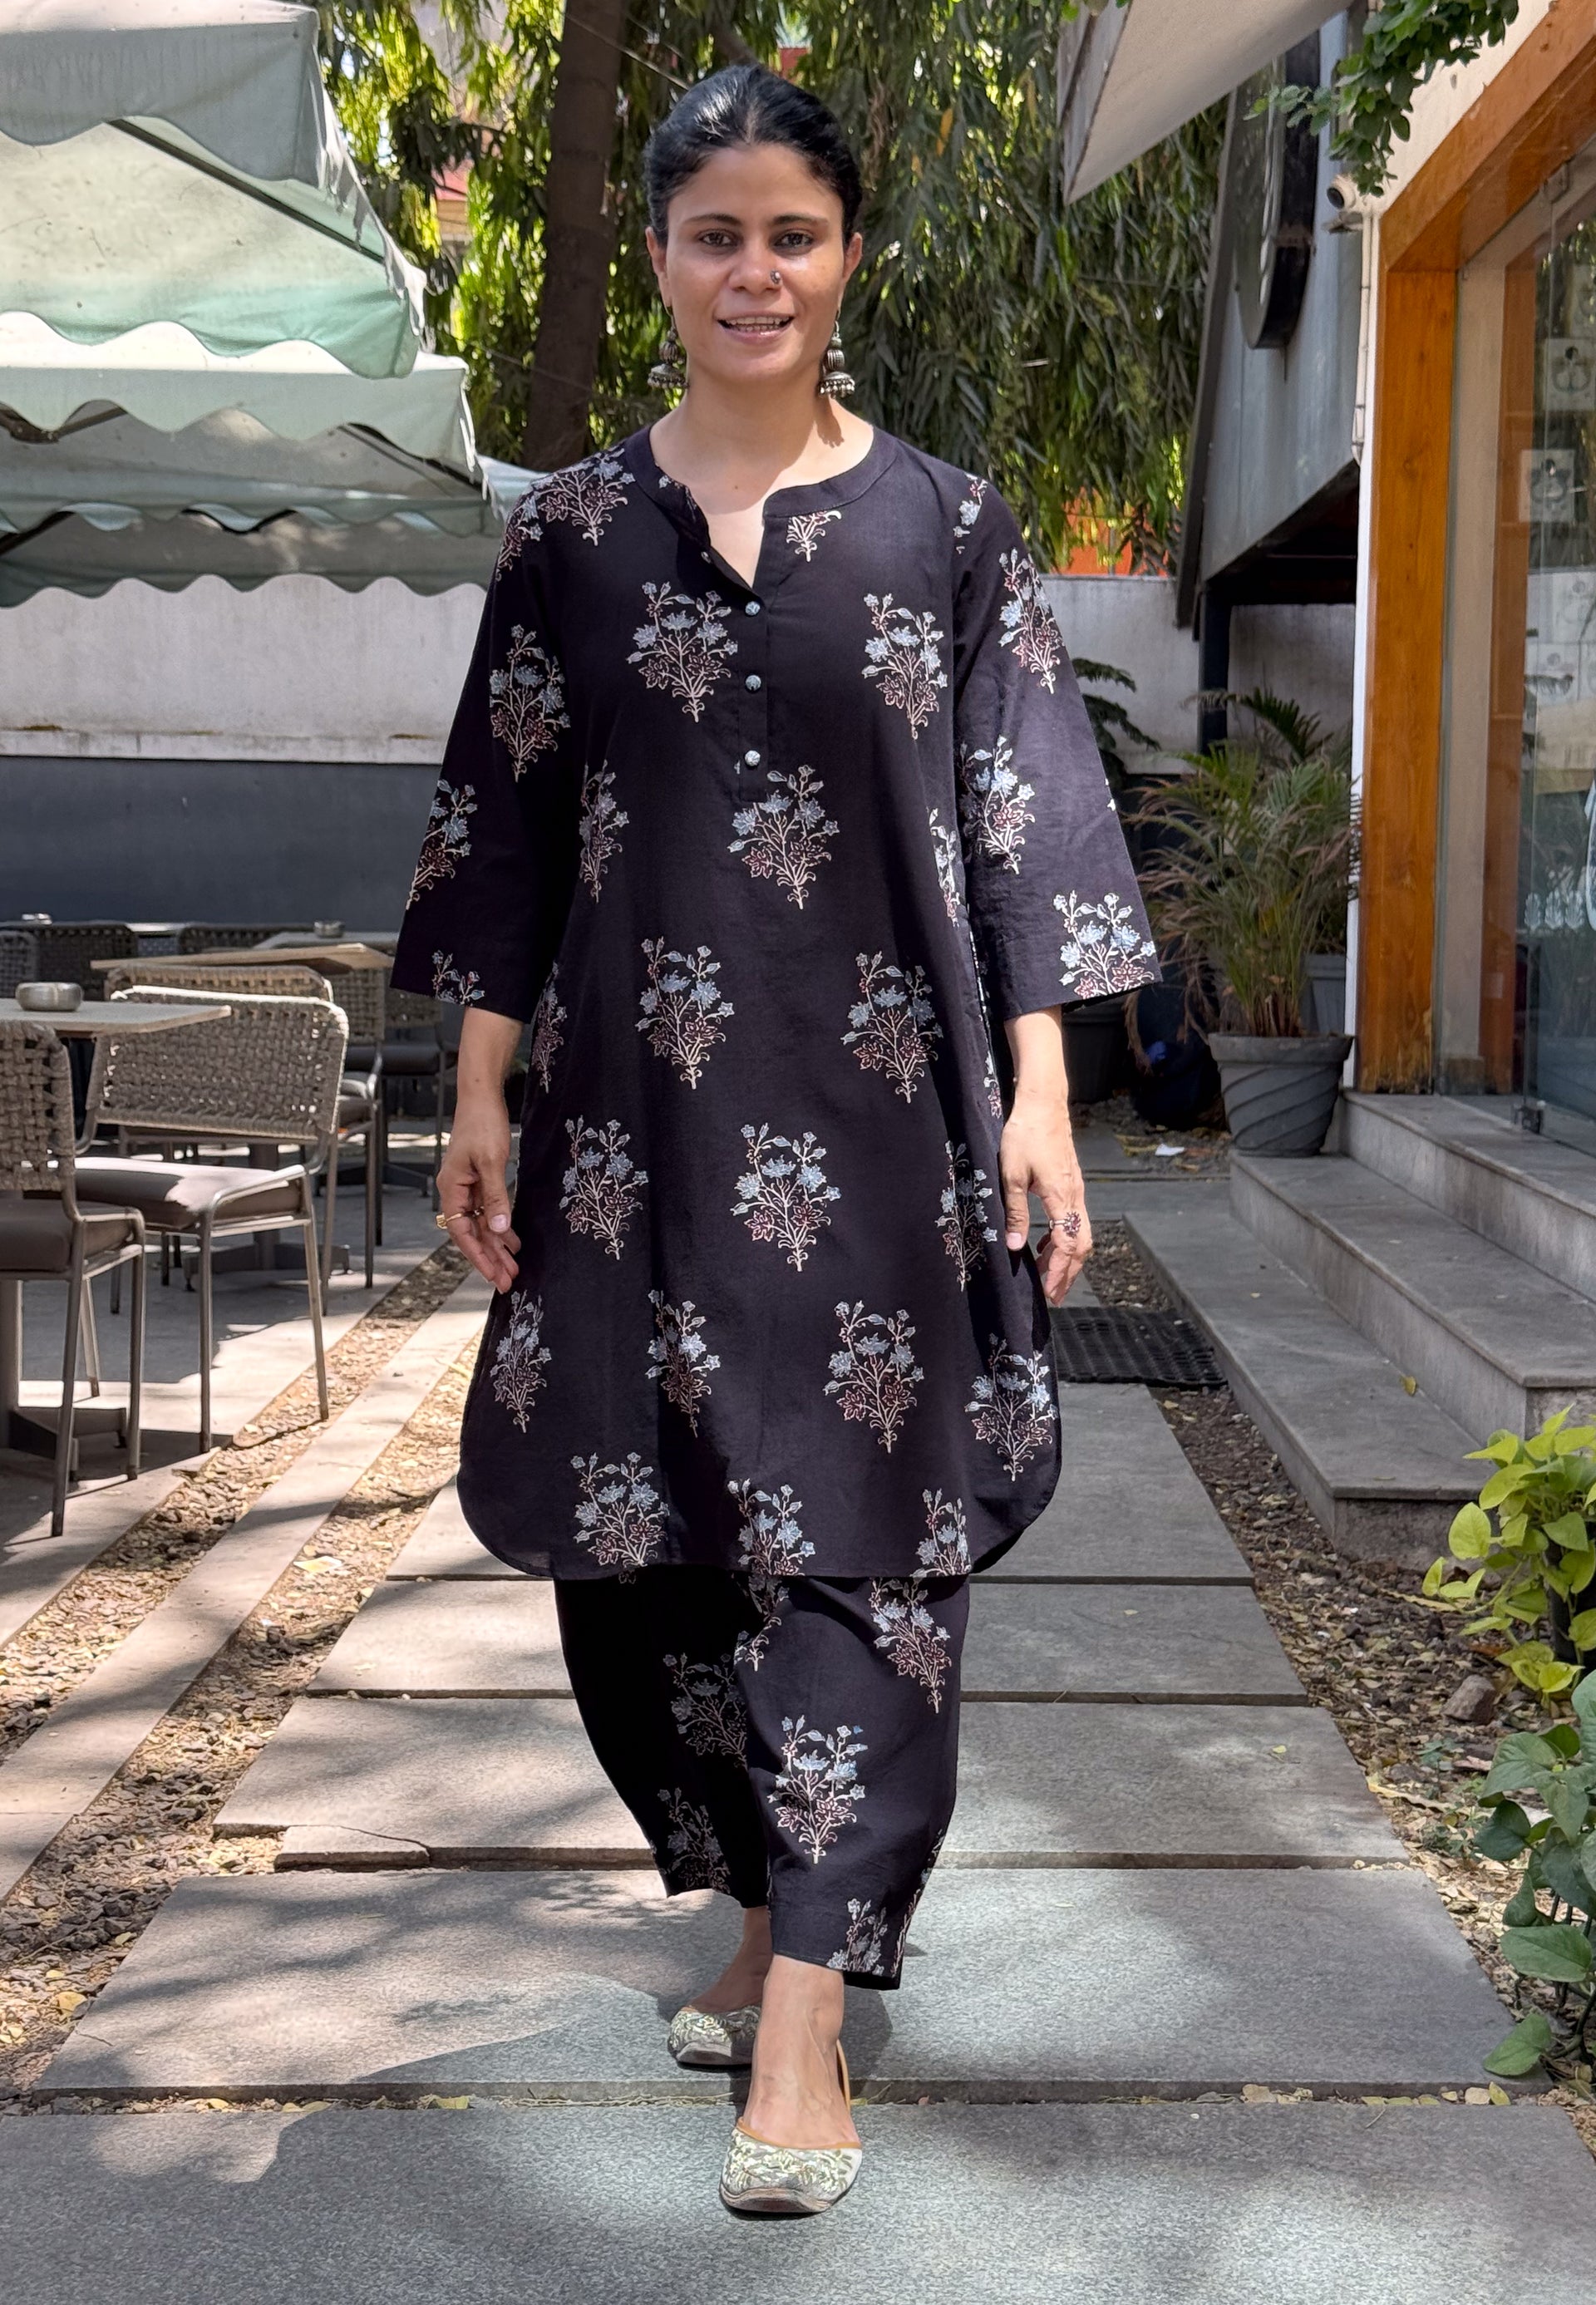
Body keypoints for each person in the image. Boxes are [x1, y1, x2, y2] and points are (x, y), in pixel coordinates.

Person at [390, 62, 1156, 2217]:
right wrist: (478, 1086)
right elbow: (506, 822)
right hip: (628, 1135)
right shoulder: (568, 537)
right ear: (659, 256)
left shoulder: (949, 530)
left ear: (845, 258)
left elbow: (1022, 822)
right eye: (715, 234)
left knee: (865, 1541)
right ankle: (752, 1901)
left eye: (791, 235)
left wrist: (1043, 1095)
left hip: (889, 1127)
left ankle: (810, 2005)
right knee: (641, 1549)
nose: (755, 271)